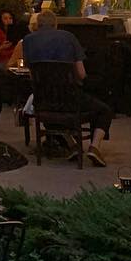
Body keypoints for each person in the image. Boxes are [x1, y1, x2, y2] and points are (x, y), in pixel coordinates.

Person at [21, 10, 113, 166]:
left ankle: (72, 145)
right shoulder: (68, 37)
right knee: (104, 110)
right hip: (71, 99)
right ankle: (94, 146)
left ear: (37, 25)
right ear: (56, 24)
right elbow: (82, 74)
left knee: (49, 115)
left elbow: (31, 72)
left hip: (43, 101)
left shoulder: (28, 41)